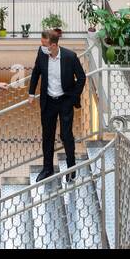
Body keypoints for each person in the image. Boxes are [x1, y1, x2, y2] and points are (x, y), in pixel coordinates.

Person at [27, 29, 86, 181]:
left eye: (44, 44)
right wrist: (31, 93)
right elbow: (36, 72)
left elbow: (81, 78)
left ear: (53, 45)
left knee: (66, 135)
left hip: (65, 101)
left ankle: (71, 169)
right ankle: (47, 169)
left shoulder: (69, 57)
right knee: (47, 136)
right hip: (48, 101)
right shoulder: (41, 54)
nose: (42, 46)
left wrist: (73, 97)